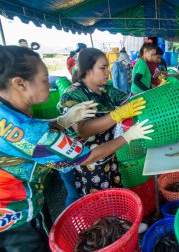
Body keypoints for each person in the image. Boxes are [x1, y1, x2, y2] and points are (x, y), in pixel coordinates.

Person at [0, 45, 154, 252]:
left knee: (111, 192)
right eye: (45, 79)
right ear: (19, 84)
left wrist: (62, 121)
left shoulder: (6, 113)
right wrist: (129, 136)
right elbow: (88, 156)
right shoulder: (34, 131)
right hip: (15, 220)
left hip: (23, 204)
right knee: (91, 200)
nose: (49, 84)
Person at [59, 47, 148, 198]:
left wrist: (158, 94)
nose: (108, 72)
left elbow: (134, 98)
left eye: (108, 67)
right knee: (90, 204)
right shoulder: (72, 95)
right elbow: (82, 130)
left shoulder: (106, 91)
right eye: (103, 68)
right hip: (84, 163)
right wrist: (118, 114)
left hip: (107, 154)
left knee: (112, 197)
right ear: (87, 69)